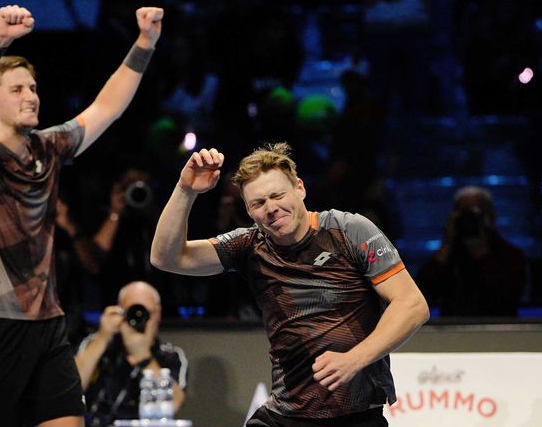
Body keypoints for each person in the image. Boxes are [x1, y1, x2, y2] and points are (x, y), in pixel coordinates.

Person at [0, 4, 163, 426]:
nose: (31, 96)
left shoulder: (49, 147)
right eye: (17, 90)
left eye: (33, 87)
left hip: (47, 321)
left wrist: (144, 44)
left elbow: (107, 107)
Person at [151, 143, 430, 426]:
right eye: (258, 203)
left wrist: (354, 359)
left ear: (300, 188)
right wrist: (185, 190)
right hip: (286, 415)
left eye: (277, 195)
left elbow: (412, 305)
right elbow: (167, 257)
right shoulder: (249, 246)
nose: (271, 208)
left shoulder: (349, 230)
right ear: (249, 211)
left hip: (356, 415)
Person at [75, 281, 187, 426]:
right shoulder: (96, 345)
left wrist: (144, 358)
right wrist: (103, 337)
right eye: (132, 312)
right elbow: (69, 391)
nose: (140, 319)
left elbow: (174, 404)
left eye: (146, 312)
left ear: (158, 314)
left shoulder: (171, 356)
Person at [416, 186, 527, 316]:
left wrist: (481, 253)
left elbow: (508, 298)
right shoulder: (448, 255)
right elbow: (421, 295)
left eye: (477, 214)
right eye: (464, 213)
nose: (470, 219)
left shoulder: (511, 256)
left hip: (499, 329)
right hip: (452, 330)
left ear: (491, 216)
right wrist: (446, 245)